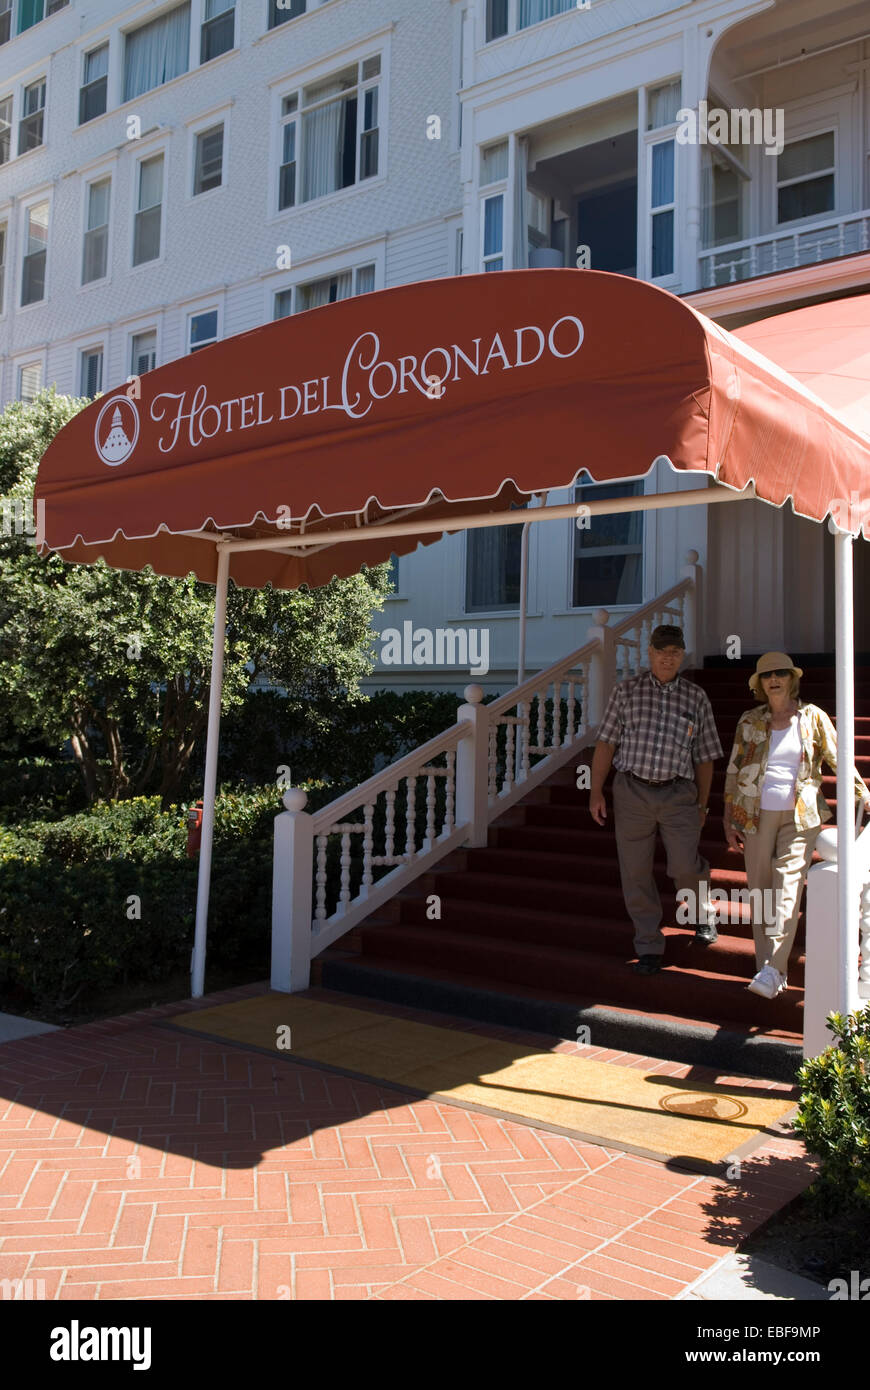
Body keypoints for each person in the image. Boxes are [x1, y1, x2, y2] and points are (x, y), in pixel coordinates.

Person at [723, 651, 870, 999]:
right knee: (761, 890)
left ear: (792, 678)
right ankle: (769, 968)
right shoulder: (749, 720)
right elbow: (733, 770)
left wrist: (862, 791)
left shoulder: (813, 717)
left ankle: (773, 967)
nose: (774, 679)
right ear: (759, 683)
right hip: (754, 814)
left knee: (787, 888)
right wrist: (728, 817)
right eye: (767, 675)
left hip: (800, 816)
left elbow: (839, 757)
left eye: (781, 673)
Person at [589, 625, 723, 975]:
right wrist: (595, 791)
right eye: (661, 650)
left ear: (682, 655)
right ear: (649, 653)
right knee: (635, 871)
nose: (668, 657)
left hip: (679, 793)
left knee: (683, 864)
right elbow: (606, 743)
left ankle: (701, 913)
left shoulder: (696, 698)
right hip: (631, 791)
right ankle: (648, 944)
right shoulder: (626, 691)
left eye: (675, 652)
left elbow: (705, 757)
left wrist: (703, 804)